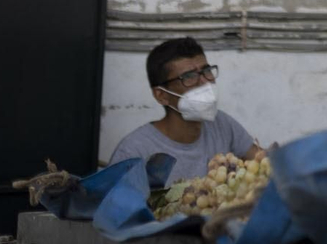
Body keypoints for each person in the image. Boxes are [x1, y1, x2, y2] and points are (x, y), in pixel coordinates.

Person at [109, 37, 264, 184]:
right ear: (162, 95)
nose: (205, 82)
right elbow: (116, 202)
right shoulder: (134, 151)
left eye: (206, 71)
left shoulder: (221, 124)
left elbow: (263, 164)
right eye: (189, 76)